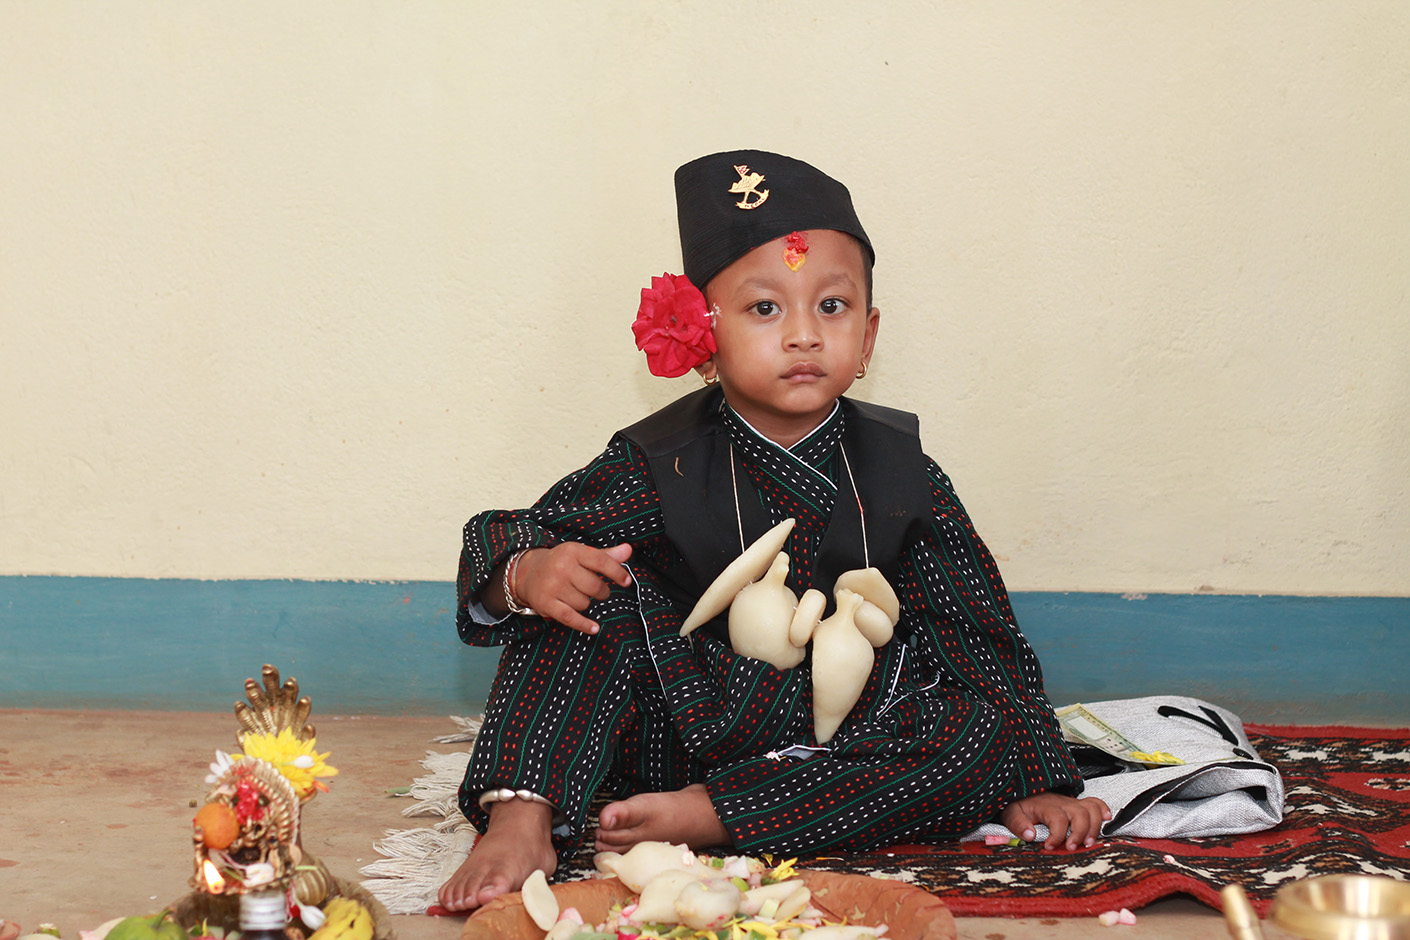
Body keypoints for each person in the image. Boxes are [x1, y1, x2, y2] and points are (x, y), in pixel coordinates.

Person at [439, 150, 1109, 913]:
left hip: (841, 739)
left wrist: (1032, 777)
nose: (803, 335)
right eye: (766, 309)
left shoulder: (903, 473)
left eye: (832, 307)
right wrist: (527, 572)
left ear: (869, 334)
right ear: (703, 333)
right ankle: (521, 813)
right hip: (686, 716)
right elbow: (514, 531)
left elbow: (976, 629)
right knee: (586, 599)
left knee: (975, 730)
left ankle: (718, 814)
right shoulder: (657, 461)